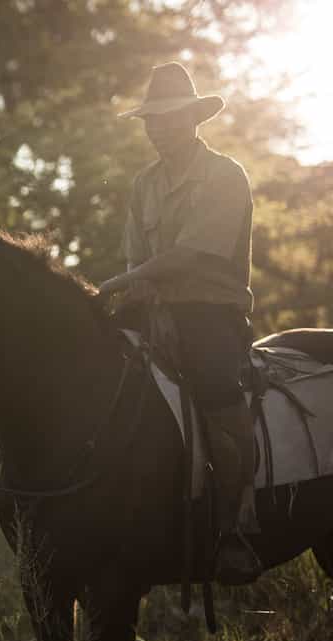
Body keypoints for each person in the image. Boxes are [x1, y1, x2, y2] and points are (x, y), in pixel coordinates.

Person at [98, 62, 261, 585]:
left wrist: (119, 283)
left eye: (167, 118)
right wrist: (124, 295)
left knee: (216, 388)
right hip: (155, 306)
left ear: (193, 118)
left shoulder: (224, 175)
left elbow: (191, 255)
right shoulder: (143, 183)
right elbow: (135, 257)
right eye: (150, 119)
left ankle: (237, 523)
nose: (156, 127)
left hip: (211, 310)